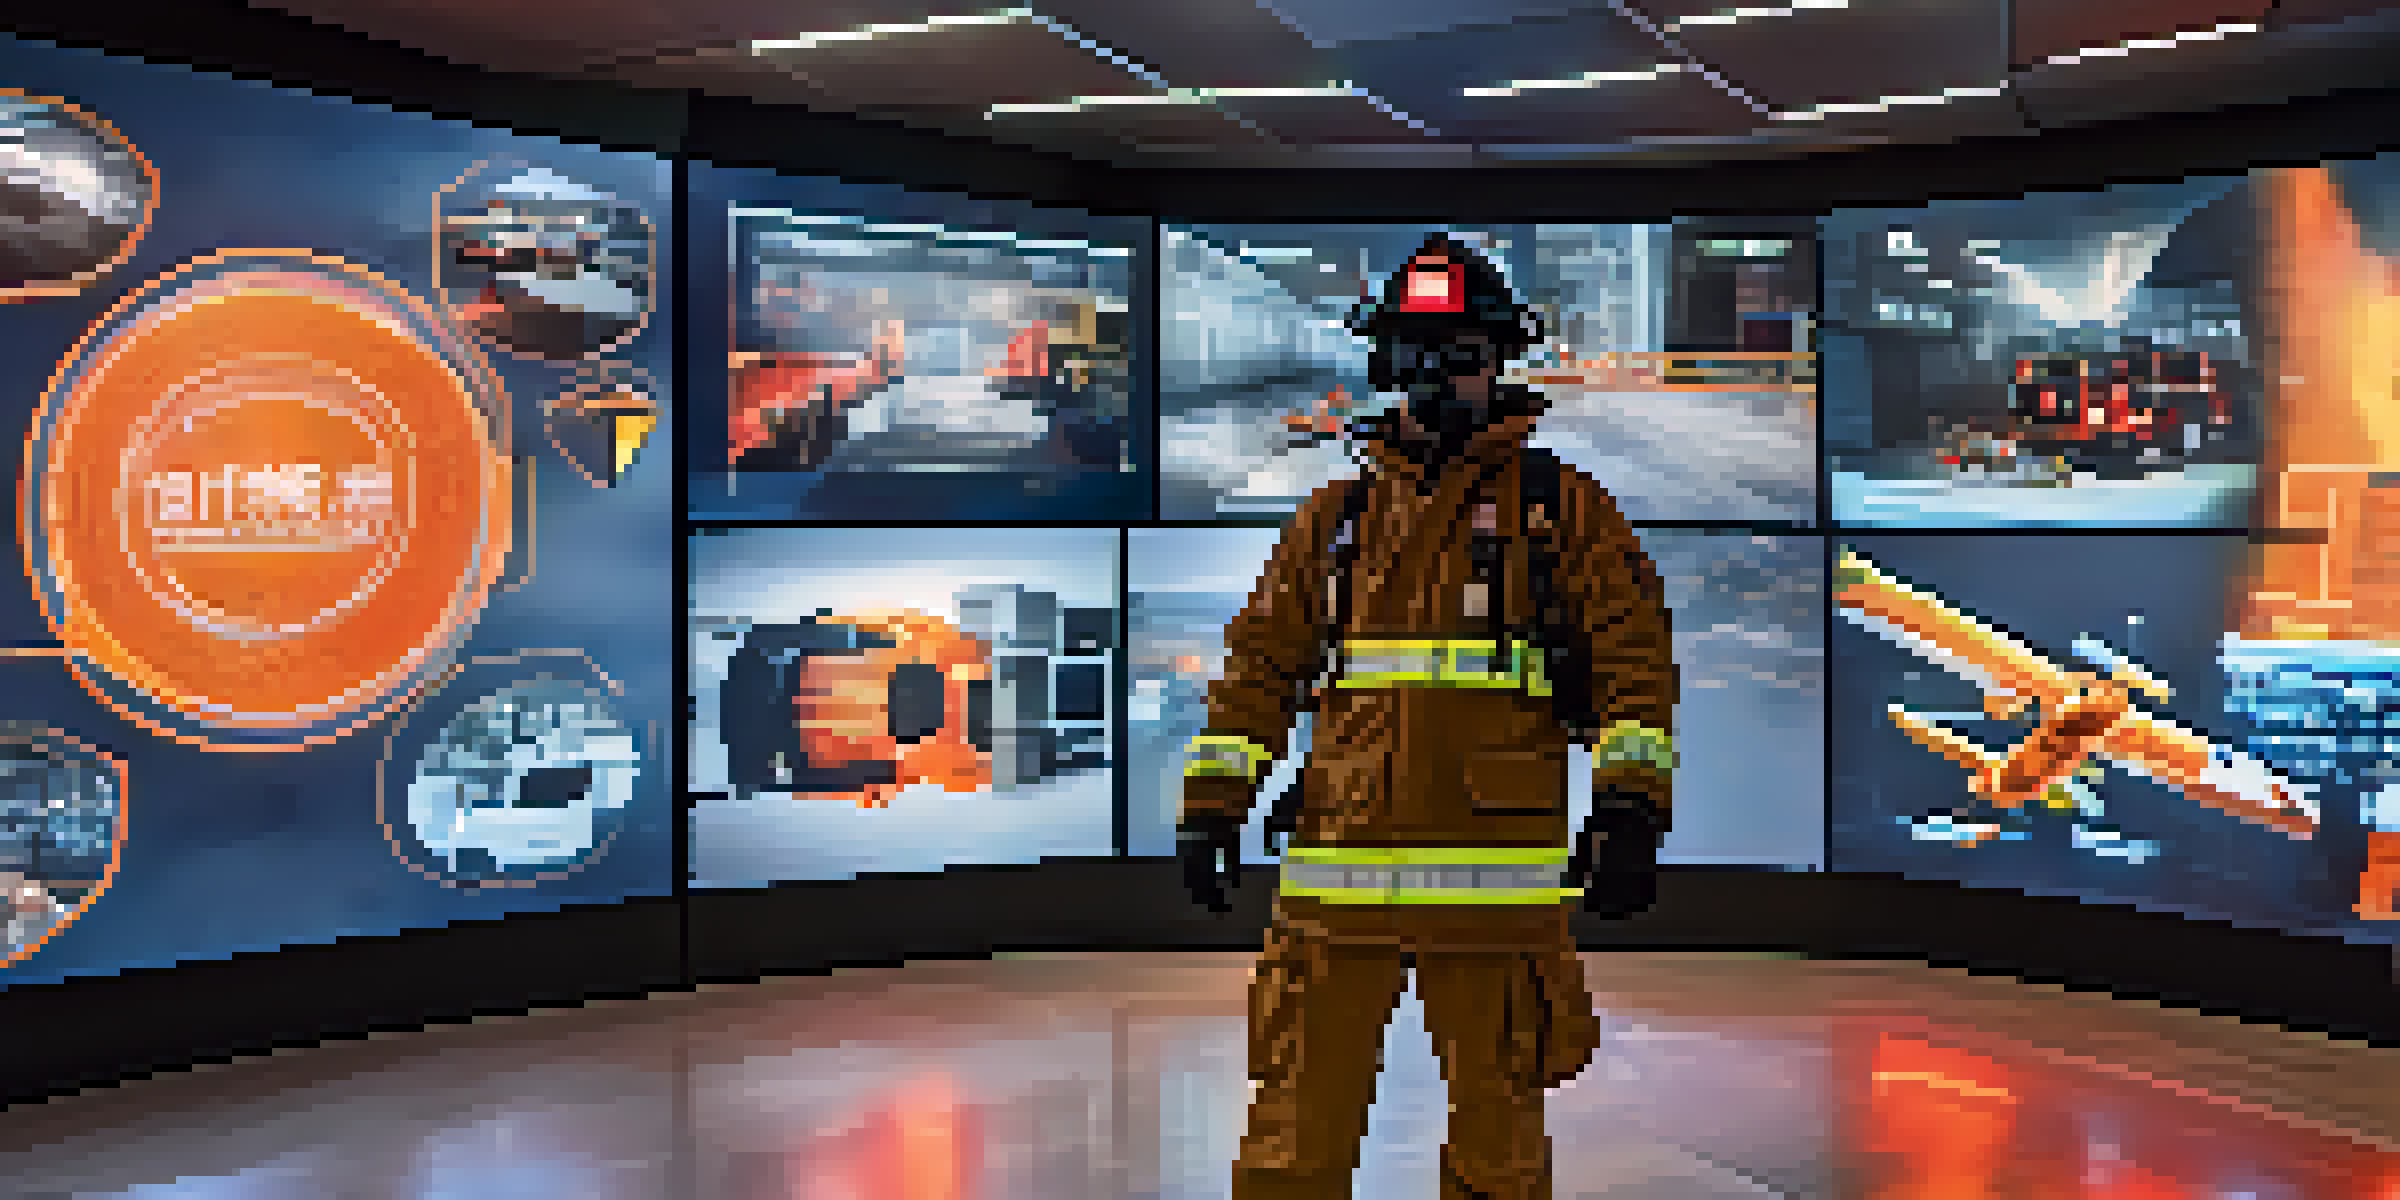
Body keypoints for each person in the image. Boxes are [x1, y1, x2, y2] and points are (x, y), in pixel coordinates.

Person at [1178, 233, 1679, 1200]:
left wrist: (1631, 808)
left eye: (1464, 356)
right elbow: (1259, 673)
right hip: (1335, 886)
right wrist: (1213, 805)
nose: (1444, 379)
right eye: (1420, 356)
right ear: (1388, 365)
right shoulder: (1333, 523)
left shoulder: (1561, 512)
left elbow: (1632, 664)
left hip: (1491, 895)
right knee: (1292, 1140)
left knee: (1499, 1143)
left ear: (1498, 361)